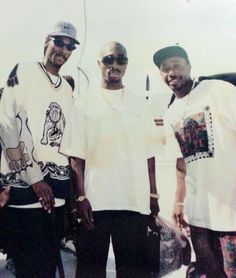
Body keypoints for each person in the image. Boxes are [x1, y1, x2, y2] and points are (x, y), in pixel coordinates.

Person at [60, 41, 163, 278]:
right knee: (90, 270)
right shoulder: (84, 102)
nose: (114, 65)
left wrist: (153, 194)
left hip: (134, 202)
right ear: (99, 63)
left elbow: (150, 154)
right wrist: (80, 196)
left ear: (126, 64)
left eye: (121, 59)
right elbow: (76, 156)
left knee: (133, 271)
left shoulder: (140, 104)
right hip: (95, 203)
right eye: (108, 59)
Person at [0, 21, 79, 277]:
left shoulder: (67, 89)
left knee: (46, 266)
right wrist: (34, 178)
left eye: (69, 46)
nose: (63, 50)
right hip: (26, 188)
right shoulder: (23, 70)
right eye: (59, 42)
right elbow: (7, 123)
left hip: (55, 189)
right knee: (27, 266)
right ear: (47, 41)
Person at [153, 45, 236, 277]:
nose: (171, 72)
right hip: (199, 215)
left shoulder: (219, 91)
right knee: (209, 273)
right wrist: (179, 204)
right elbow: (181, 163)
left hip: (231, 211)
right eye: (165, 68)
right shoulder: (172, 113)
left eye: (177, 65)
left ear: (189, 66)